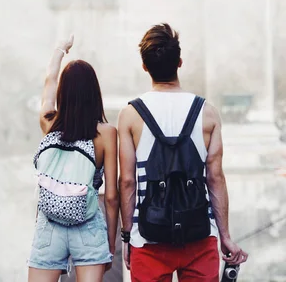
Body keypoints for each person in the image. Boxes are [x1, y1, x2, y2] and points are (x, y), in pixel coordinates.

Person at [118, 23, 248, 281]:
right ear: (179, 62)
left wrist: (127, 236)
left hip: (148, 238)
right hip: (199, 237)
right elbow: (215, 178)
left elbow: (128, 181)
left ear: (145, 67)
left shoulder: (130, 115)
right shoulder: (207, 112)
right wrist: (226, 237)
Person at [28, 35, 119, 282]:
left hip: (49, 224)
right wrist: (109, 244)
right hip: (87, 224)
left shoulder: (48, 122)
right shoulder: (106, 134)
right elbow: (111, 196)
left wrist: (59, 49)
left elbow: (49, 82)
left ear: (63, 93)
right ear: (94, 92)